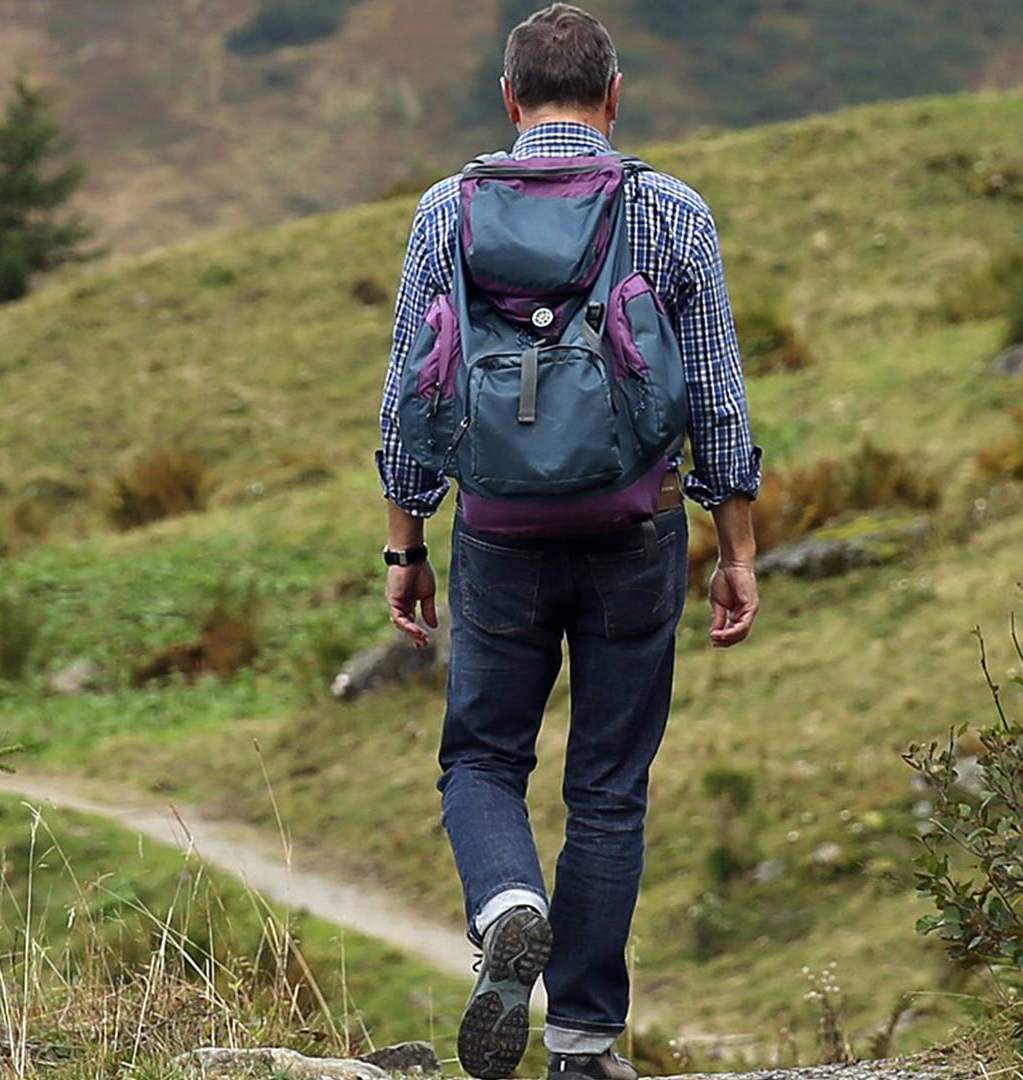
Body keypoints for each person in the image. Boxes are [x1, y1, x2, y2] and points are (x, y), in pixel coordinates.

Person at [373, 5, 762, 1078]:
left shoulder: (446, 212)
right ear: (614, 94)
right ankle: (584, 1045)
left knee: (483, 757)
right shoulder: (671, 212)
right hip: (635, 533)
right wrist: (736, 546)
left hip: (497, 535)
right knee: (608, 787)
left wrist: (406, 545)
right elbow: (719, 400)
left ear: (508, 99)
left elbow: (411, 391)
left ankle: (506, 902)